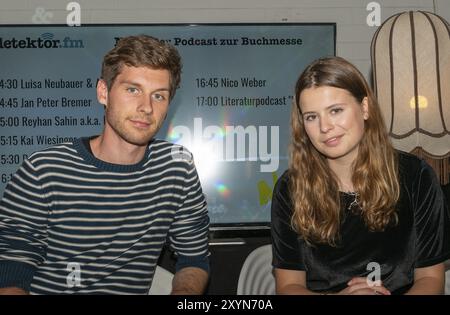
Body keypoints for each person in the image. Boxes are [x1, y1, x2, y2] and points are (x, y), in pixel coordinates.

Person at [0, 35, 210, 294]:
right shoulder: (43, 171)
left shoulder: (177, 167)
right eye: (133, 90)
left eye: (158, 96)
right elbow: (11, 270)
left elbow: (194, 258)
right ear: (103, 92)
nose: (146, 107)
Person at [271, 56, 450, 295]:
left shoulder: (415, 177)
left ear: (364, 108)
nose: (325, 127)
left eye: (335, 110)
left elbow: (431, 279)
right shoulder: (291, 188)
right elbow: (288, 286)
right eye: (311, 117)